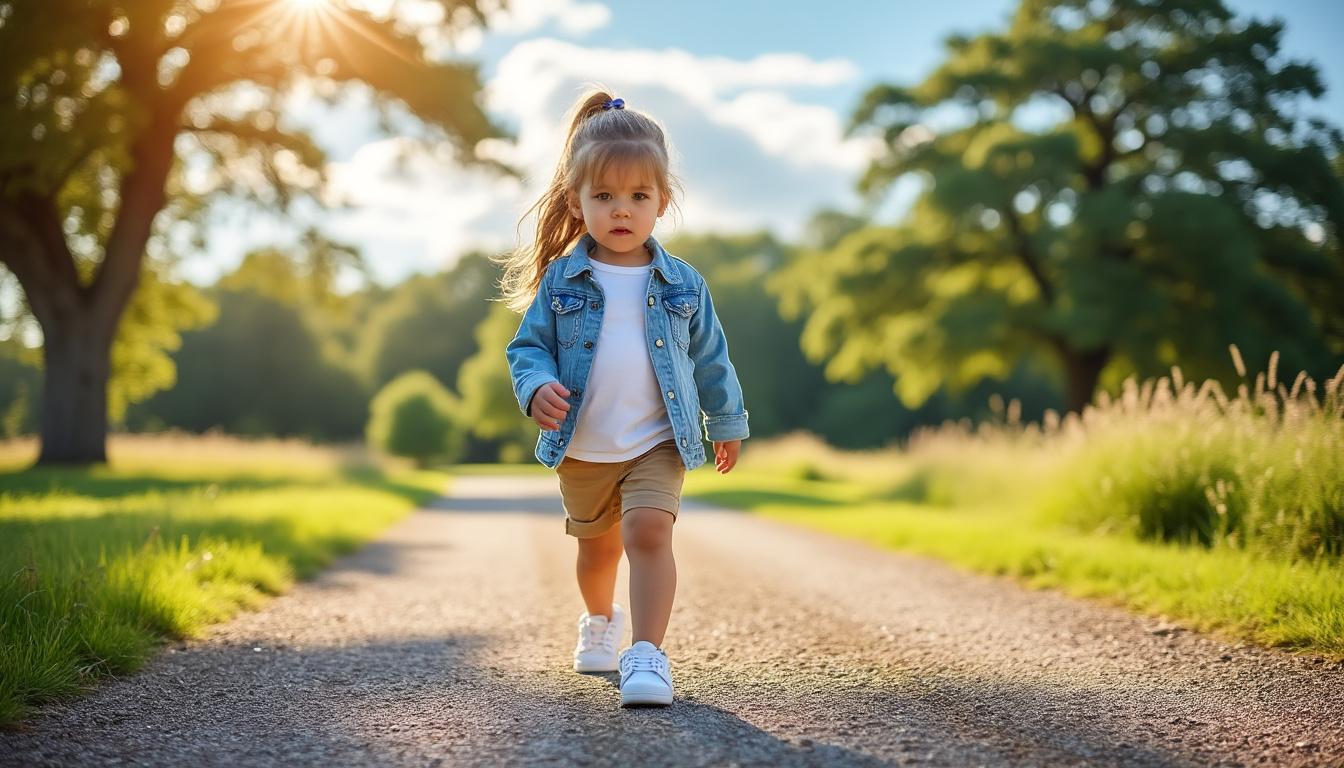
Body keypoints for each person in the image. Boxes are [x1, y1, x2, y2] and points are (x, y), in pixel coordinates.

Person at [501, 89, 749, 707]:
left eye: (638, 196)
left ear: (662, 202)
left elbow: (711, 357)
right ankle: (600, 620)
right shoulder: (562, 280)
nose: (621, 210)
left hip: (656, 440)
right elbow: (525, 349)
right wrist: (534, 388)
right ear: (576, 201)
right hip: (583, 444)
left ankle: (648, 655)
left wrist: (725, 420)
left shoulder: (683, 283)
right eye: (604, 196)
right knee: (598, 547)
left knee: (647, 534)